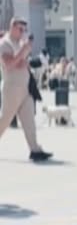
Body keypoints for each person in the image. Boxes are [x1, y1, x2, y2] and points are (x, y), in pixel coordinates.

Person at [0, 19, 51, 161]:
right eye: (20, 29)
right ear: (12, 27)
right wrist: (23, 51)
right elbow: (9, 64)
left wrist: (25, 54)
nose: (23, 33)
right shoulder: (5, 43)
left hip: (25, 87)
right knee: (4, 120)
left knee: (29, 120)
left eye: (24, 30)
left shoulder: (20, 43)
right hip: (12, 88)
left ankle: (35, 149)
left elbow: (22, 63)